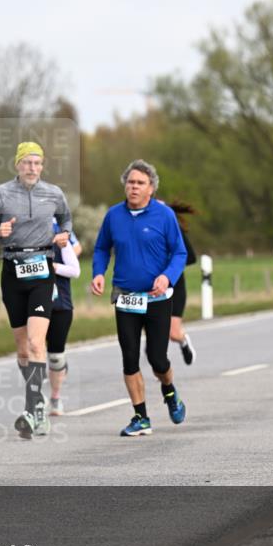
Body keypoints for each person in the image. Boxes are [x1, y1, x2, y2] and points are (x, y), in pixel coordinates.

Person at [0, 141, 73, 439]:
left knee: (35, 343)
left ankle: (35, 409)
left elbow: (67, 219)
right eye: (27, 162)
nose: (32, 168)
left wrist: (64, 234)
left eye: (37, 163)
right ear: (17, 165)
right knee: (22, 349)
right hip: (12, 270)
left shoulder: (54, 193)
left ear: (42, 166)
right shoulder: (1, 194)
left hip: (43, 269)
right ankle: (38, 400)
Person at [91, 160, 188, 437]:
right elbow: (101, 248)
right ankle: (141, 416)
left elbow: (179, 253)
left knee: (158, 359)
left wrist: (167, 277)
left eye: (140, 183)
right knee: (129, 359)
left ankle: (169, 391)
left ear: (151, 188)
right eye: (130, 182)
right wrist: (99, 272)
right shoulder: (113, 216)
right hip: (125, 297)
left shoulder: (164, 215)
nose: (133, 187)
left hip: (156, 298)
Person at [47, 218, 81, 416]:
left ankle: (55, 397)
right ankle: (33, 398)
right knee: (30, 349)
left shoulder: (60, 232)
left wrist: (54, 267)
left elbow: (75, 267)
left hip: (60, 303)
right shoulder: (22, 233)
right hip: (31, 304)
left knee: (55, 354)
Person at [167, 201, 198, 365]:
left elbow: (191, 257)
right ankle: (160, 363)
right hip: (150, 288)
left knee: (173, 333)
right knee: (154, 331)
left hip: (174, 286)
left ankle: (183, 341)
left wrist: (169, 267)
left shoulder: (174, 229)